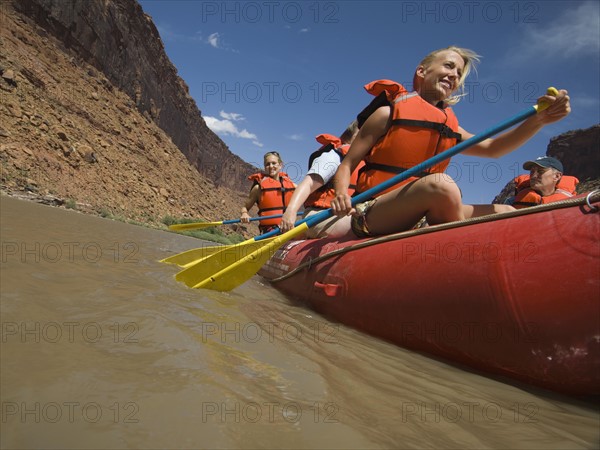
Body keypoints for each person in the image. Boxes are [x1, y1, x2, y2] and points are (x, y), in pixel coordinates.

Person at [330, 46, 571, 237]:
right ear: (422, 71)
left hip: (422, 211)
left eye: (459, 74)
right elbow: (347, 165)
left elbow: (493, 149)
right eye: (449, 66)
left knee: (508, 210)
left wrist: (539, 121)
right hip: (372, 211)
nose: (454, 75)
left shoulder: (451, 127)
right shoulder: (387, 114)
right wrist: (341, 195)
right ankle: (459, 251)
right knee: (441, 184)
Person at [279, 121, 360, 238]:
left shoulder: (369, 163)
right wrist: (291, 210)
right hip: (320, 214)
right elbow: (309, 184)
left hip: (348, 213)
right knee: (364, 225)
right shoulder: (334, 156)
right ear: (354, 135)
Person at [241, 151, 296, 233]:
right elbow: (245, 207)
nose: (271, 166)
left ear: (280, 165)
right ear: (265, 167)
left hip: (289, 230)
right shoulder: (258, 188)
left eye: (274, 163)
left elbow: (309, 190)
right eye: (267, 164)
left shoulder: (292, 186)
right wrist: (244, 213)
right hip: (270, 232)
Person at [508, 156, 579, 208]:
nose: (534, 176)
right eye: (532, 172)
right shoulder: (512, 202)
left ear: (557, 176)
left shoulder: (573, 203)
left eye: (540, 171)